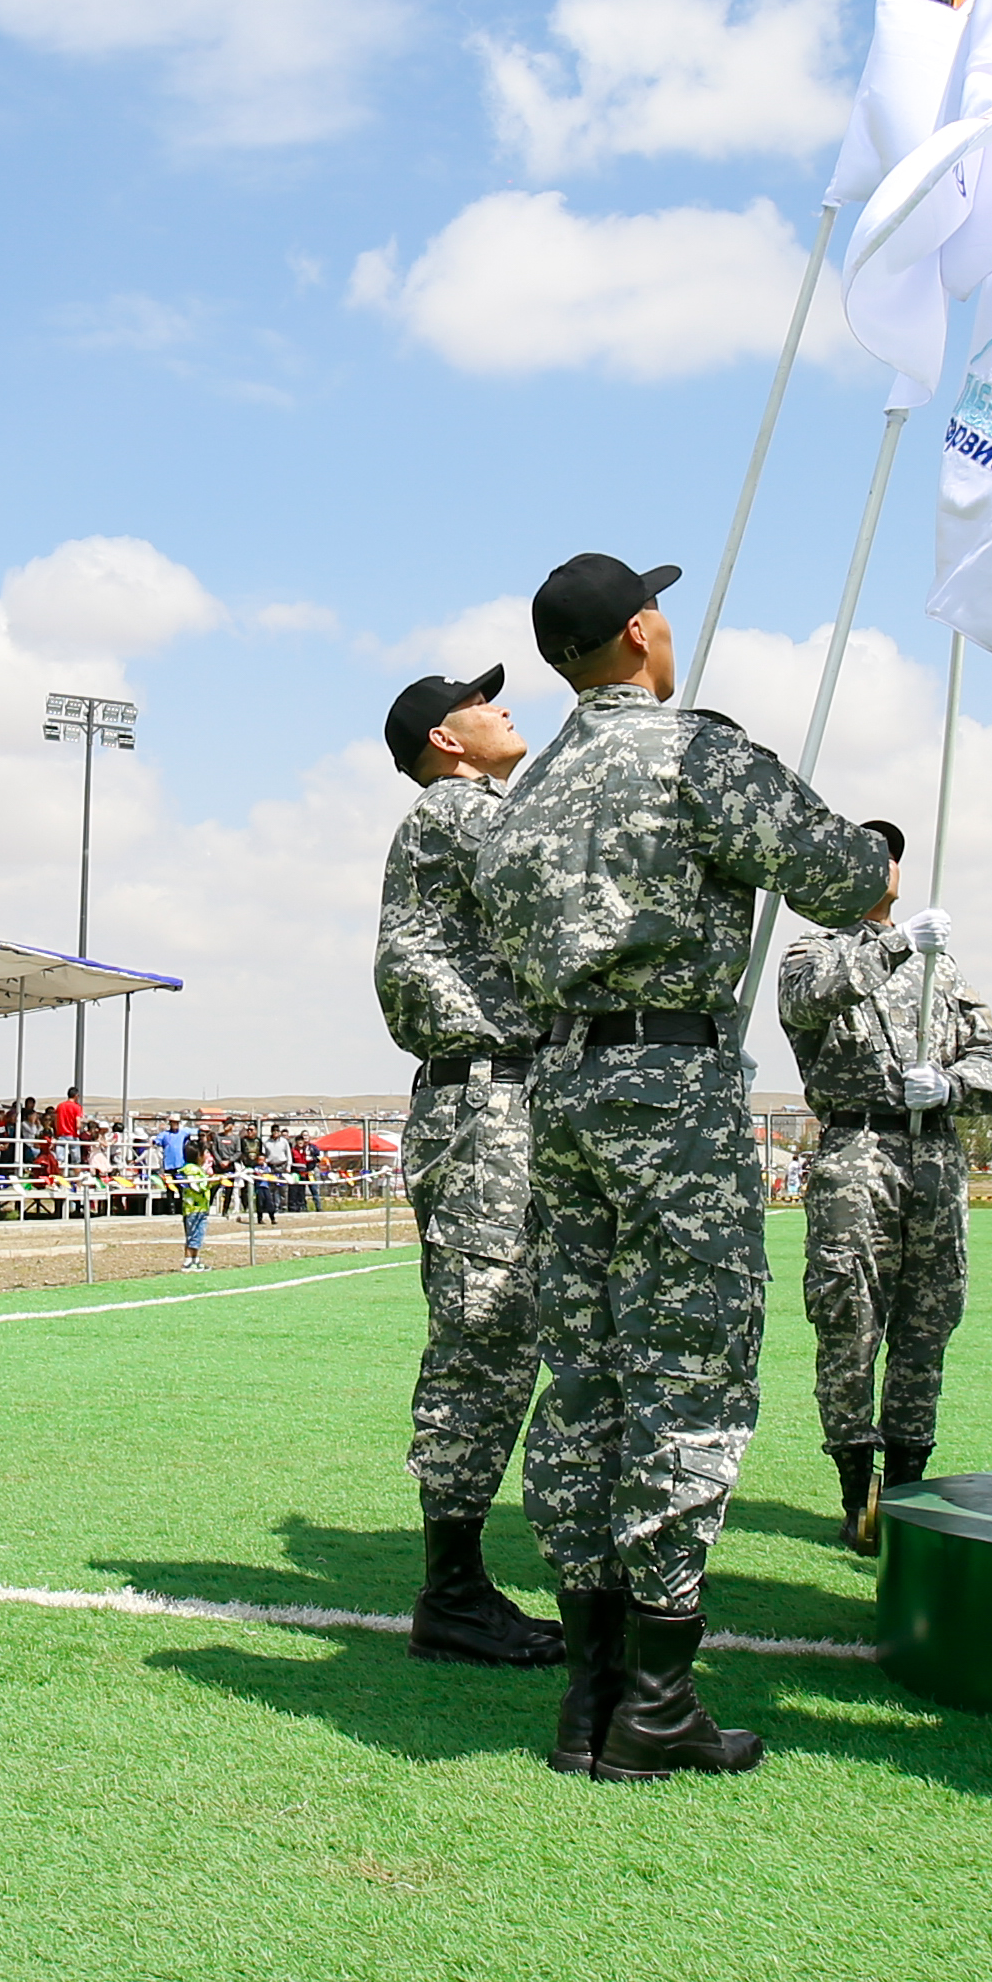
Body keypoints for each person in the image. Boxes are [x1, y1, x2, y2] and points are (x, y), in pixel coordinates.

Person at [476, 551, 892, 1780]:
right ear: (644, 633)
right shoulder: (691, 751)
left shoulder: (531, 790)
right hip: (670, 1087)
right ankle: (656, 1699)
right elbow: (854, 882)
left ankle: (591, 1692)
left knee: (588, 1376)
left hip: (559, 1089)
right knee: (686, 1374)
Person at [370, 662, 570, 1672]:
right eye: (484, 704)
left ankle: (471, 1576)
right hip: (483, 1097)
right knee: (483, 1330)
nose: (505, 710)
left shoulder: (476, 807)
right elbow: (570, 867)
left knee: (514, 1329)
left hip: (515, 1093)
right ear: (447, 741)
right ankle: (451, 1592)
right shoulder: (459, 810)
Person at [775, 817, 992, 1551]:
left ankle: (906, 1488)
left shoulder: (943, 966)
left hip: (933, 1153)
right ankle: (855, 1487)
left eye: (894, 855)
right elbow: (808, 1003)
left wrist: (952, 1083)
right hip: (858, 1149)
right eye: (869, 854)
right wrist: (898, 942)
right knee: (849, 1316)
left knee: (927, 1320)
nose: (887, 866)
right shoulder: (815, 949)